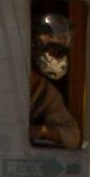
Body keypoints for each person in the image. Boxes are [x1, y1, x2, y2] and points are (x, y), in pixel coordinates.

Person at [30, 11, 82, 148]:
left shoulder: (43, 90)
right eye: (53, 50)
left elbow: (72, 136)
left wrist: (43, 132)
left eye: (59, 52)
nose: (56, 57)